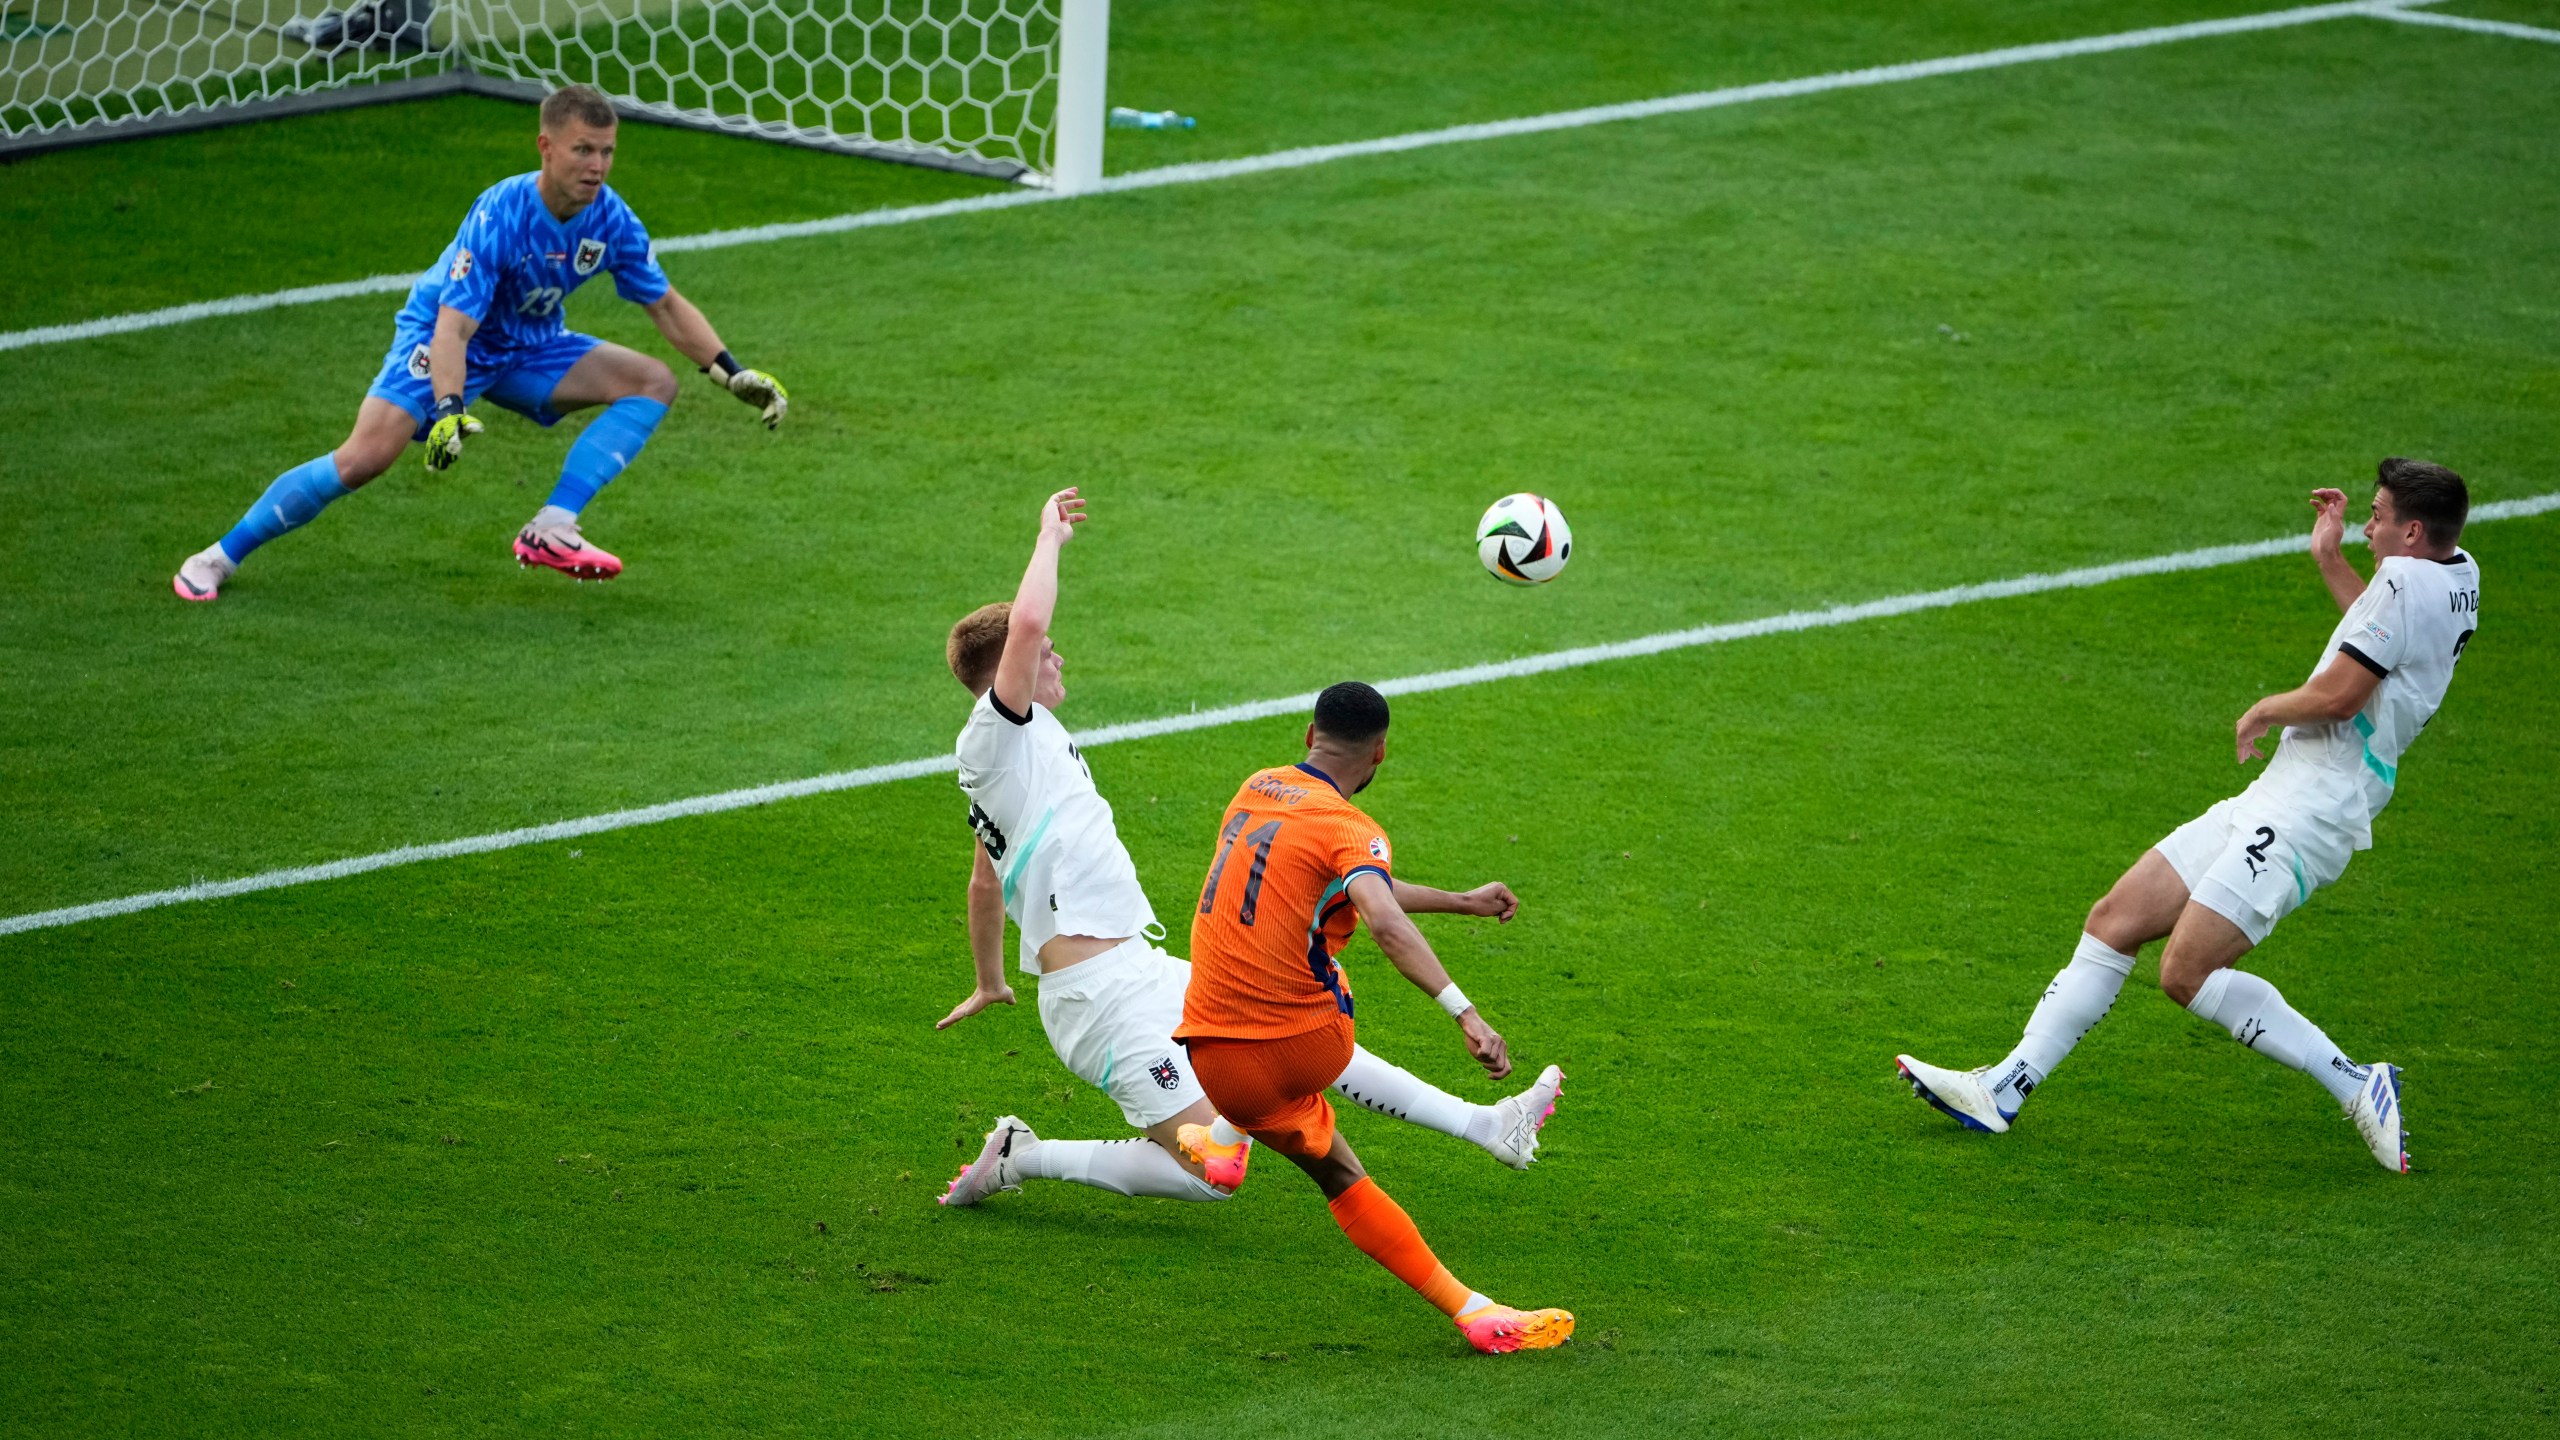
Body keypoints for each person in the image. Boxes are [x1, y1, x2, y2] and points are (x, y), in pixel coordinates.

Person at [935, 491, 1564, 1210]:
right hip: (1097, 1000)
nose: (1055, 656)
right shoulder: (997, 732)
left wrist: (989, 979)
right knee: (1208, 1175)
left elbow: (986, 881)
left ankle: (1489, 1124)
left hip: (1137, 968)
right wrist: (1049, 539)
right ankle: (1024, 1157)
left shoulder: (1018, 753)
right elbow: (1030, 622)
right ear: (1002, 674)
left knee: (1291, 1040)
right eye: (1043, 655)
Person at [1896, 460, 2482, 1173]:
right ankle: (2004, 1088)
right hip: (2283, 791)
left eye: (2379, 514)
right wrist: (2330, 561)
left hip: (2315, 810)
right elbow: (2382, 635)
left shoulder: (2403, 581)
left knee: (2187, 972)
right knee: (2116, 917)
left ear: (2412, 530)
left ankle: (2358, 1082)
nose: (2367, 523)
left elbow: (2340, 698)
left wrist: (2266, 707)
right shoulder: (2455, 574)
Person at [171, 83, 788, 602]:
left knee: (653, 381)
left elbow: (665, 302)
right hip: (445, 342)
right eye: (582, 151)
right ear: (546, 147)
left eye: (606, 151)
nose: (596, 166)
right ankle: (219, 556)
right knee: (363, 459)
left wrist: (730, 372)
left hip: (529, 346)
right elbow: (452, 329)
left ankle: (552, 525)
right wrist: (448, 410)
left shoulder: (611, 219)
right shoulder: (501, 214)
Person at [1176, 680, 1575, 1354]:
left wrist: (1461, 901)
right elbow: (1380, 914)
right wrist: (1466, 1014)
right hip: (1309, 1044)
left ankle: (1224, 1141)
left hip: (1212, 1058)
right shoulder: (1349, 827)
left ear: (1309, 736)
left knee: (1279, 959)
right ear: (1380, 754)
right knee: (1323, 960)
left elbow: (1351, 886)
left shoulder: (1256, 787)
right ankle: (1477, 1310)